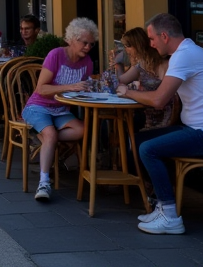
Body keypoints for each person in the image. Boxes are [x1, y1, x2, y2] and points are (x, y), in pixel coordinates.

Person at [119, 13, 203, 235]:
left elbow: (159, 100)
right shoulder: (185, 53)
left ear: (164, 36)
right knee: (137, 140)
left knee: (148, 149)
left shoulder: (184, 56)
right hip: (197, 129)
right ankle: (161, 203)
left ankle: (170, 215)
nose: (150, 44)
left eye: (152, 39)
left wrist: (128, 92)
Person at [23, 17, 97, 202]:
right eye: (84, 42)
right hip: (37, 107)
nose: (88, 47)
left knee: (84, 130)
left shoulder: (87, 62)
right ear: (71, 39)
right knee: (50, 135)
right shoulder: (56, 55)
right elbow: (41, 89)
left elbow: (81, 89)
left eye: (91, 44)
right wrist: (70, 87)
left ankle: (45, 139)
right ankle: (44, 182)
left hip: (61, 111)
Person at [113, 27, 174, 132]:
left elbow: (121, 81)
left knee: (120, 125)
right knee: (115, 123)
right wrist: (118, 65)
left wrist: (118, 65)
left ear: (137, 45)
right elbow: (121, 81)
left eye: (127, 46)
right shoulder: (142, 63)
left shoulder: (165, 63)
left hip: (162, 118)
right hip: (146, 113)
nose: (126, 50)